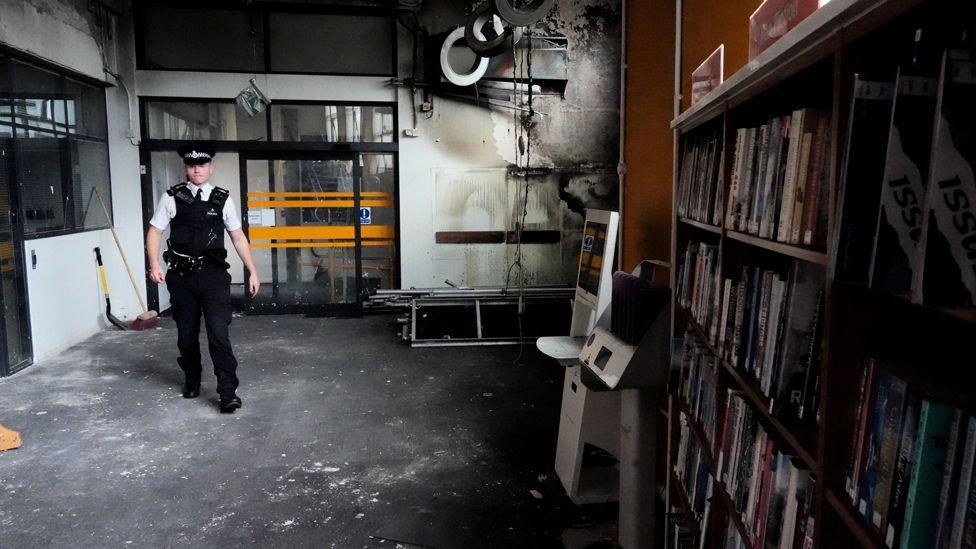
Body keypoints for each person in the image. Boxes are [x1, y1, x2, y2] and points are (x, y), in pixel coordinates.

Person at [145, 143, 260, 414]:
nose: (197, 169)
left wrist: (252, 270)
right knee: (186, 335)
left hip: (213, 277)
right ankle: (192, 378)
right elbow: (154, 231)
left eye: (203, 165)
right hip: (182, 278)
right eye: (192, 165)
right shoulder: (172, 197)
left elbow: (237, 236)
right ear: (186, 167)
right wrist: (153, 264)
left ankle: (228, 392)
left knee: (219, 335)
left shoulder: (222, 198)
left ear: (211, 167)